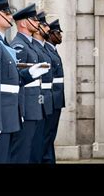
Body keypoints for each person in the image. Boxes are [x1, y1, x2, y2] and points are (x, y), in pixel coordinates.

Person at [0, 0, 49, 163]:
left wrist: (31, 73)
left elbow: (11, 82)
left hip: (8, 116)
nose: (10, 17)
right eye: (6, 13)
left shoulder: (2, 43)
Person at [9, 4, 44, 163]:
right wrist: (20, 111)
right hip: (26, 107)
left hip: (33, 105)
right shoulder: (19, 45)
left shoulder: (29, 44)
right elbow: (17, 80)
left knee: (31, 149)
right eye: (33, 19)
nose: (37, 22)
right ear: (23, 23)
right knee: (21, 151)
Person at [30, 11, 54, 163]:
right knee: (37, 142)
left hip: (47, 97)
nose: (47, 29)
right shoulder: (33, 47)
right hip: (38, 98)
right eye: (44, 25)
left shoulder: (44, 48)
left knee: (45, 139)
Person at [43, 19, 66, 164]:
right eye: (58, 33)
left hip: (56, 100)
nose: (60, 36)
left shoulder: (52, 50)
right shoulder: (46, 51)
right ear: (50, 34)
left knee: (50, 135)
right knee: (47, 136)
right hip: (50, 99)